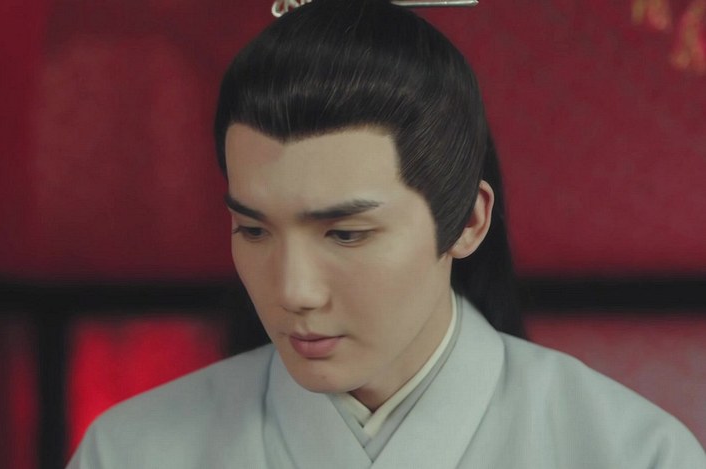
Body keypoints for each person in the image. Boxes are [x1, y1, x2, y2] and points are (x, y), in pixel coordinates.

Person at [67, 0, 706, 467]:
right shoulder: (132, 452)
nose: (293, 291)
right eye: (253, 230)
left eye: (346, 234)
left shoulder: (630, 453)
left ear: (468, 221)